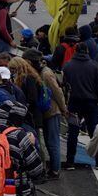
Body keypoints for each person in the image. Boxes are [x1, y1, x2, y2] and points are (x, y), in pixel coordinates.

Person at [24, 49, 67, 180]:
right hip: (46, 112)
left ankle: (55, 170)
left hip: (52, 111)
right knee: (49, 142)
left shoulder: (46, 74)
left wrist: (64, 109)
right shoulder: (37, 72)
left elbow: (57, 92)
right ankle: (53, 168)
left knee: (52, 142)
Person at [62, 43, 98, 170]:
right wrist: (97, 99)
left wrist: (66, 102)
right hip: (90, 103)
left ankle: (70, 161)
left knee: (73, 132)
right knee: (94, 132)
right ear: (86, 51)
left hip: (74, 103)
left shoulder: (68, 66)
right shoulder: (93, 66)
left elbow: (64, 85)